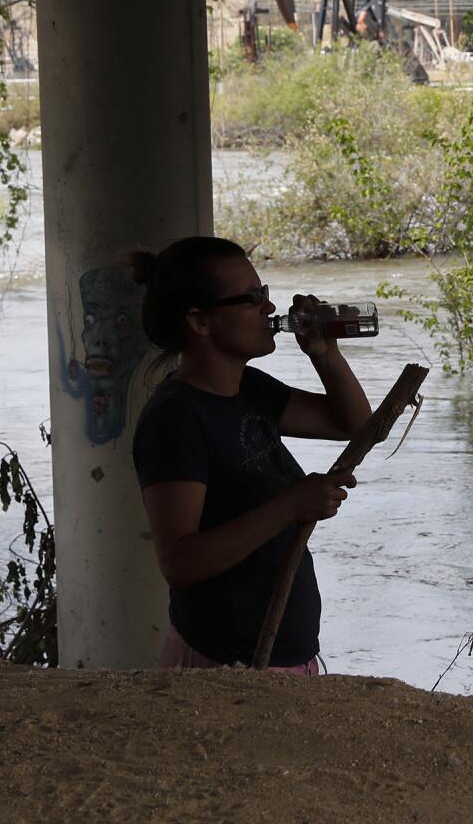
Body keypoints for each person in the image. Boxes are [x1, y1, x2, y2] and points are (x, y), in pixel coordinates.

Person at [127, 236, 372, 672]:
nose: (269, 310)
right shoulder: (177, 419)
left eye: (265, 294)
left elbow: (353, 426)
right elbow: (180, 562)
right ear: (200, 321)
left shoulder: (250, 389)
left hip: (279, 657)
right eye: (251, 298)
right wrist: (289, 505)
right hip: (225, 667)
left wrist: (325, 354)